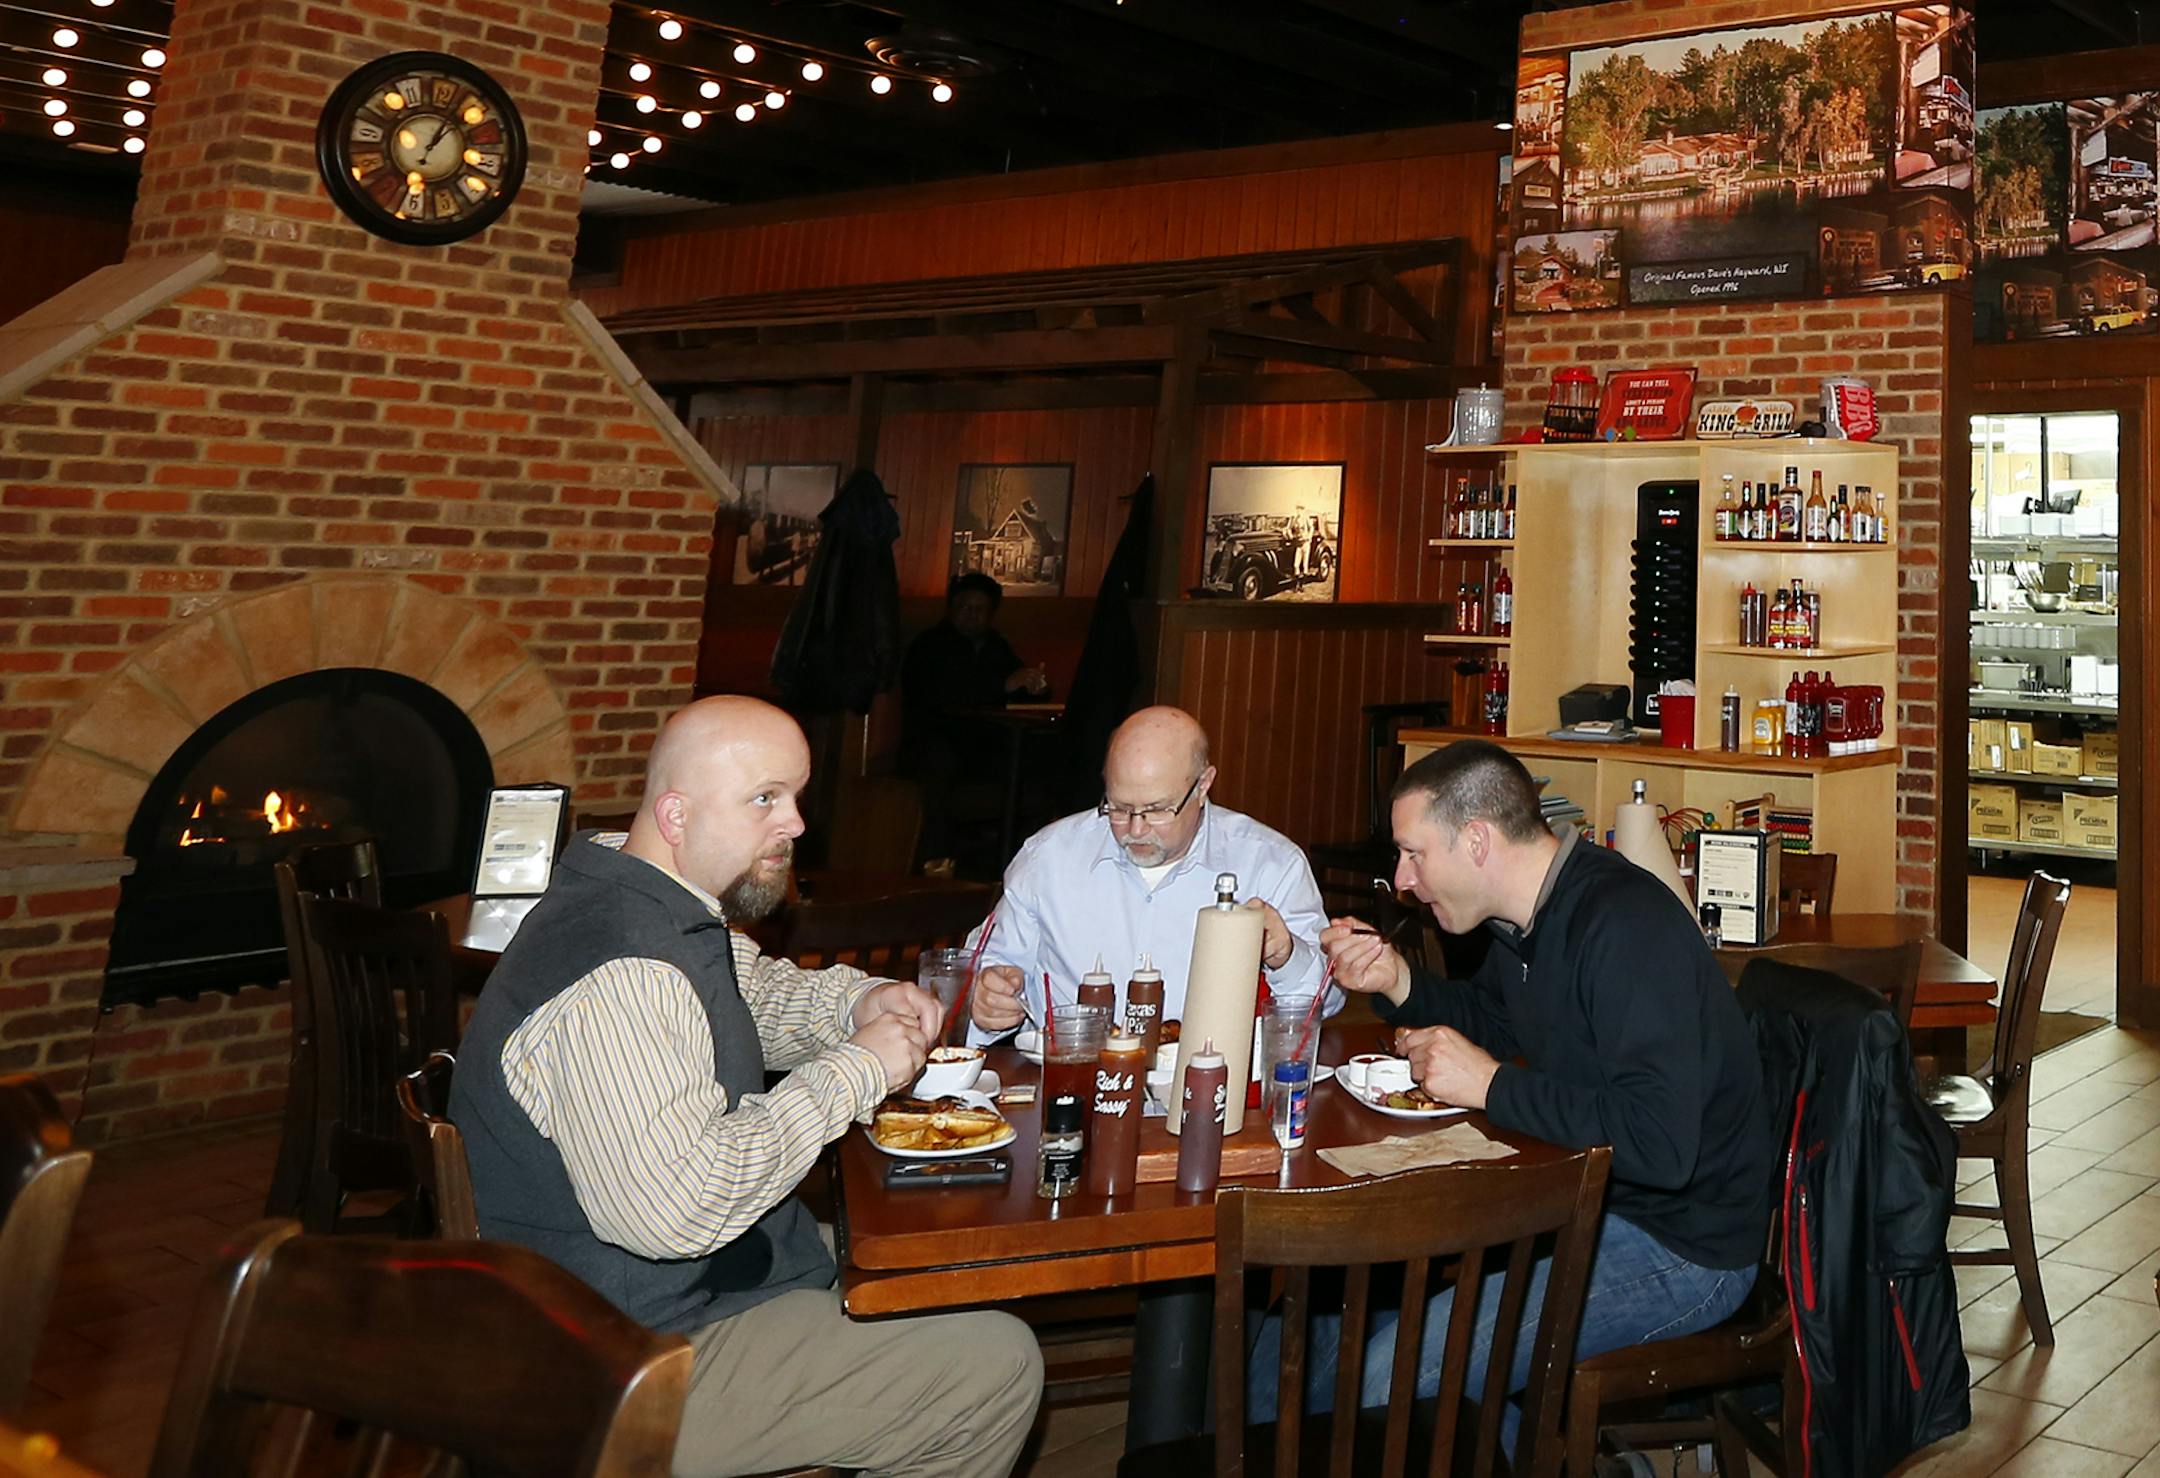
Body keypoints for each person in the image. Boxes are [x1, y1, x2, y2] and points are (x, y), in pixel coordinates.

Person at [451, 696, 1042, 1478]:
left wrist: (854, 1004)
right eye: (765, 798)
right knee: (993, 1365)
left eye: (795, 796)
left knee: (929, 1261)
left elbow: (746, 991)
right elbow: (679, 1211)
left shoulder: (645, 894)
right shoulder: (622, 976)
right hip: (612, 1360)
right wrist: (855, 1070)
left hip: (649, 1304)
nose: (796, 823)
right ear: (675, 813)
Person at [1255, 739, 1771, 1426]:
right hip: (1588, 1201)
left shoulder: (1625, 926)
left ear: (1475, 840)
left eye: (1414, 853)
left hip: (1685, 1248)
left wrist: (1492, 1086)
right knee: (1317, 1321)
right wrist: (1396, 981)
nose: (1402, 880)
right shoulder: (1526, 918)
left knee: (1396, 1376)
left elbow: (1660, 1143)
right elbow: (1494, 1019)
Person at [969, 705, 1332, 1035]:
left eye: (1158, 809)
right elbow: (990, 965)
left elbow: (1325, 1005)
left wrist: (1285, 955)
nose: (1136, 829)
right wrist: (986, 996)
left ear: (1203, 785)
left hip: (1214, 1086)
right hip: (1072, 1078)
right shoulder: (1047, 859)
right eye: (1119, 808)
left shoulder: (1270, 865)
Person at [900, 571, 1051, 866]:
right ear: (951, 609)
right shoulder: (929, 645)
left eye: (980, 609)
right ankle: (936, 864)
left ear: (991, 614)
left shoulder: (996, 646)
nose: (972, 615)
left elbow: (1017, 686)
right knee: (938, 765)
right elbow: (941, 696)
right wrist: (1003, 686)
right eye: (964, 607)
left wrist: (1036, 688)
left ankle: (1016, 862)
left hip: (987, 742)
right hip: (937, 739)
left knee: (1041, 765)